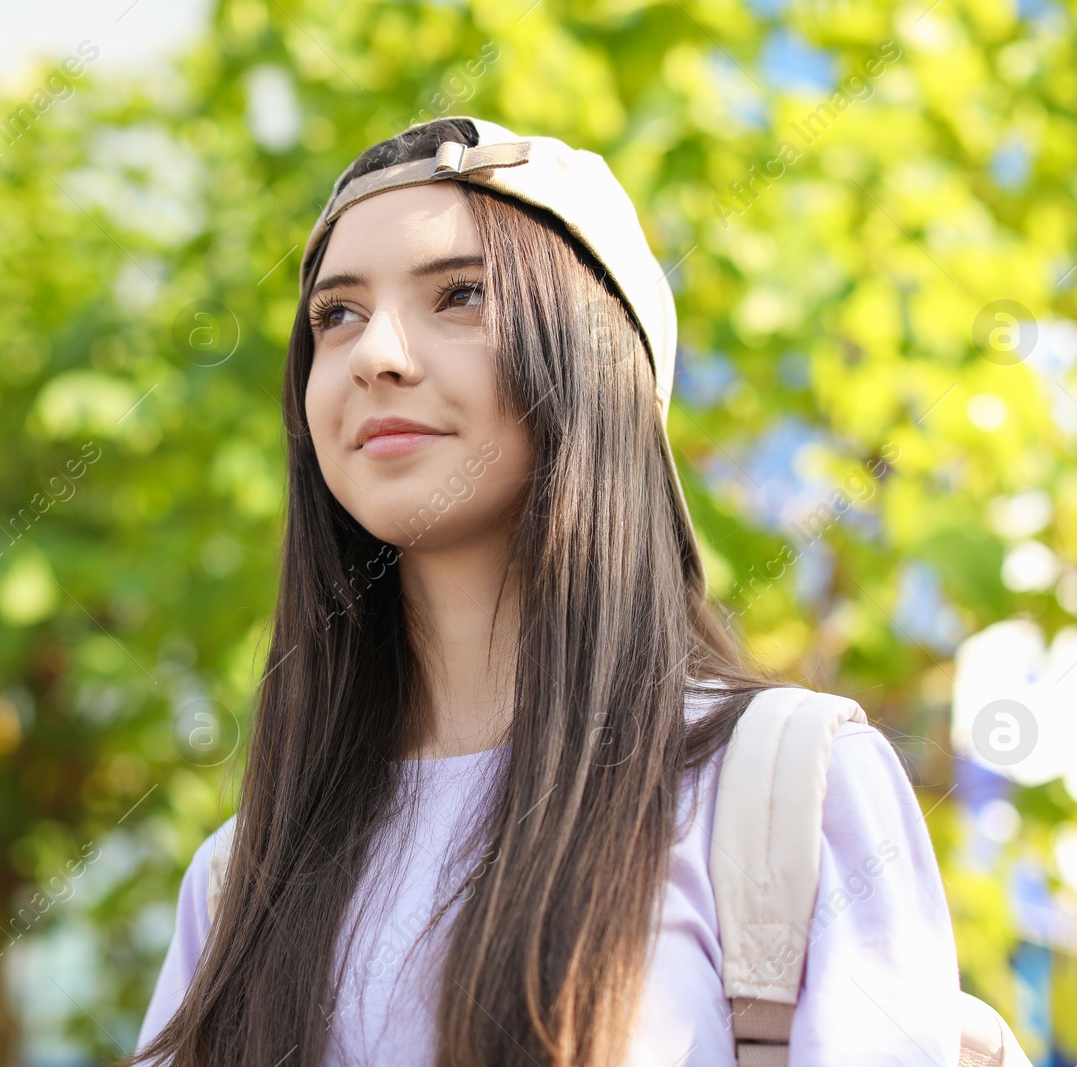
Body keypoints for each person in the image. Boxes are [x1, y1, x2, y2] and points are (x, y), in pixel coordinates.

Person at [131, 116, 960, 1066]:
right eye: (337, 315)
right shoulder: (240, 881)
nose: (375, 355)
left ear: (595, 360)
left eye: (461, 294)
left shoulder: (786, 788)